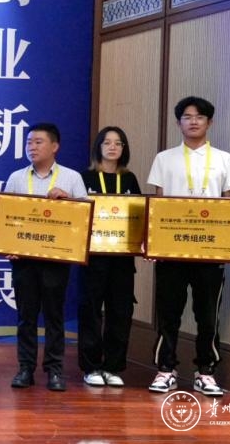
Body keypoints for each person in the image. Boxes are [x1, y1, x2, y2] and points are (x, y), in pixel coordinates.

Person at [146, 96, 230, 398]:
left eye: (199, 116)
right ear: (179, 123)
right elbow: (158, 203)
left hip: (210, 252)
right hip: (172, 250)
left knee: (207, 315)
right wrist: (154, 242)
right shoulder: (164, 158)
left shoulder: (225, 159)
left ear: (209, 122)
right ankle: (166, 369)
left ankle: (206, 372)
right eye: (187, 117)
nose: (193, 121)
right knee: (168, 312)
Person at [3, 122, 87, 392]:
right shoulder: (17, 178)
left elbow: (85, 218)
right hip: (24, 259)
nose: (32, 147)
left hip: (55, 259)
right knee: (26, 316)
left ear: (55, 146)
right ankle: (25, 368)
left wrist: (68, 200)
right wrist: (7, 244)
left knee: (54, 316)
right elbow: (6, 217)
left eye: (38, 142)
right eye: (29, 142)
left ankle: (55, 370)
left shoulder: (71, 178)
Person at [78, 126, 142, 388]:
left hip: (122, 260)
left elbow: (139, 216)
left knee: (120, 312)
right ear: (98, 147)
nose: (112, 147)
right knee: (91, 311)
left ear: (124, 149)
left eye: (118, 143)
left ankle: (113, 367)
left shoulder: (130, 179)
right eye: (107, 142)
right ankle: (91, 366)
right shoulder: (85, 178)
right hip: (93, 258)